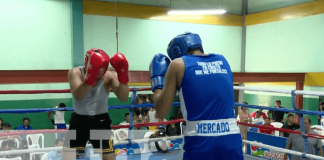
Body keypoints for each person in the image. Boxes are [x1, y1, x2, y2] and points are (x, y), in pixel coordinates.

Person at [149, 32, 243, 159]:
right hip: (232, 141)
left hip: (200, 142)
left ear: (175, 52)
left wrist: (158, 84)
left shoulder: (178, 64)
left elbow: (160, 112)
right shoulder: (223, 60)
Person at [63, 49, 129, 160]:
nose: (100, 70)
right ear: (87, 63)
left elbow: (124, 97)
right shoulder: (75, 72)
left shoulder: (108, 76)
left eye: (103, 66)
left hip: (100, 122)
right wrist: (91, 75)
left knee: (109, 158)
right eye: (98, 66)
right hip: (78, 122)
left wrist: (123, 76)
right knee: (67, 157)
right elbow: (79, 95)